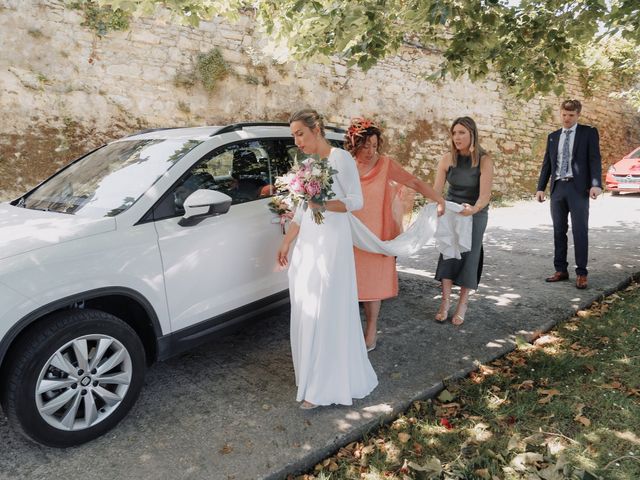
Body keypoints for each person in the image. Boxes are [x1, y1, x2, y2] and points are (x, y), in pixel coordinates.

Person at [277, 109, 378, 410]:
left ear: (316, 129)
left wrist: (323, 203)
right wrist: (286, 241)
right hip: (308, 243)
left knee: (326, 310)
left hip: (332, 244)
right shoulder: (307, 164)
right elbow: (301, 210)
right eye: (294, 135)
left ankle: (322, 388)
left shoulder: (340, 159)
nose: (297, 141)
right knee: (307, 307)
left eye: (300, 133)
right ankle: (309, 376)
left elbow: (355, 202)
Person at [344, 117, 446, 351]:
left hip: (376, 235)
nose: (371, 151)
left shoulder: (386, 164)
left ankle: (370, 332)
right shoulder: (344, 165)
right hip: (348, 233)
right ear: (354, 142)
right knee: (347, 284)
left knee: (372, 285)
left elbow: (413, 181)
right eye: (365, 145)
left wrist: (438, 198)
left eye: (374, 145)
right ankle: (347, 332)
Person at [535, 99, 602, 289]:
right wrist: (541, 188)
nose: (566, 118)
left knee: (580, 231)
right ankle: (561, 270)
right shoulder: (553, 136)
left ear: (578, 115)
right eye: (564, 114)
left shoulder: (588, 133)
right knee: (558, 231)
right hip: (558, 188)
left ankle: (581, 272)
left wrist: (596, 184)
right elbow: (547, 164)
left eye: (571, 115)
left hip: (578, 189)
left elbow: (595, 159)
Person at [433, 116, 494, 326]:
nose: (457, 137)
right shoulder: (447, 158)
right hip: (452, 209)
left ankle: (463, 304)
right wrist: (440, 204)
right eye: (454, 133)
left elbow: (485, 195)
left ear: (472, 135)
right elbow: (436, 192)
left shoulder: (485, 160)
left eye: (462, 133)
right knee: (448, 253)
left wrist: (474, 209)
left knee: (470, 255)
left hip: (475, 211)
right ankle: (445, 302)